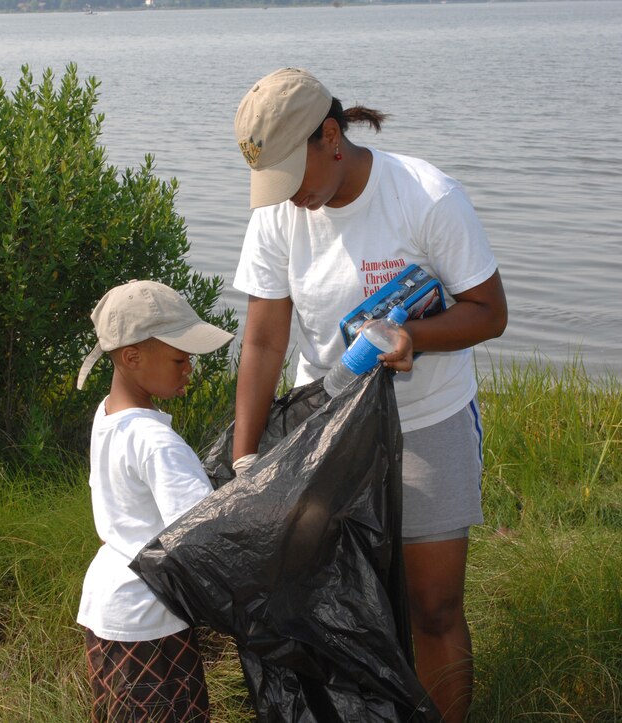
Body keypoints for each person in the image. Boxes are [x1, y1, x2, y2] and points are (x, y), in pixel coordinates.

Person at [230, 68, 507, 723]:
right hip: (326, 426)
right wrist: (246, 461)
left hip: (426, 417)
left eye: (291, 179)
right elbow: (266, 341)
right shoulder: (278, 215)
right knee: (336, 603)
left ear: (331, 137)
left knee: (433, 605)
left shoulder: (425, 197)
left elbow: (489, 312)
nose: (288, 199)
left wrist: (413, 335)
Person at [75, 279, 234, 722]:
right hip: (149, 620)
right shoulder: (157, 442)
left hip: (108, 606)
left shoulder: (109, 414)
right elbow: (203, 538)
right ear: (132, 357)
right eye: (180, 359)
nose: (189, 370)